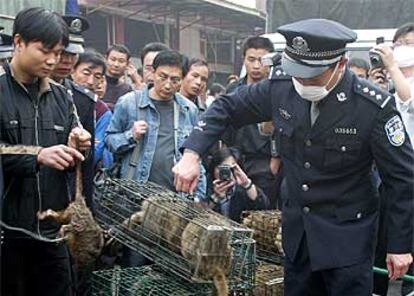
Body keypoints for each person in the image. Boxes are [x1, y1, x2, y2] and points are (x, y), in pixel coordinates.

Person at [172, 18, 414, 296]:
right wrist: (192, 154)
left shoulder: (372, 106)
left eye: (312, 75)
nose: (302, 81)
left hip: (347, 239)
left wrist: (399, 245)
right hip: (297, 237)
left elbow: (402, 179)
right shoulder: (282, 88)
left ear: (340, 65)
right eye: (297, 72)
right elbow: (227, 107)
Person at [0, 8, 91, 296]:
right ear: (18, 42)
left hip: (53, 237)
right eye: (45, 51)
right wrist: (36, 155)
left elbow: (75, 152)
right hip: (8, 233)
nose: (53, 60)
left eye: (59, 52)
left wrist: (79, 145)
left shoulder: (63, 96)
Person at [105, 50, 206, 266]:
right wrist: (130, 136)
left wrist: (198, 195)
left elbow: (196, 156)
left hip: (174, 203)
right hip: (135, 201)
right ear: (152, 73)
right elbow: (109, 142)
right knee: (134, 265)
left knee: (168, 269)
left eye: (175, 79)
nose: (168, 84)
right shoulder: (129, 104)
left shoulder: (188, 109)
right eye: (163, 77)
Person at [369, 22, 414, 296]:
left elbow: (409, 101)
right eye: (400, 44)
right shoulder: (389, 86)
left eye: (410, 44)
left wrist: (394, 69)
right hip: (390, 181)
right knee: (382, 247)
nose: (404, 50)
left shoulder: (402, 84)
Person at [223, 36, 281, 208]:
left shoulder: (277, 91)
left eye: (261, 60)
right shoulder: (233, 90)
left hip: (265, 165)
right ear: (243, 60)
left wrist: (275, 159)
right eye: (251, 59)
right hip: (237, 162)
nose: (256, 66)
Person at [51, 15, 96, 210]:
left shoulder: (82, 99)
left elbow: (86, 163)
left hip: (66, 195)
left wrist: (88, 207)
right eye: (63, 52)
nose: (67, 60)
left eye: (73, 54)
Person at [207, 147, 268, 222]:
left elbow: (263, 208)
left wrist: (247, 184)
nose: (225, 173)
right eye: (222, 168)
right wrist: (215, 198)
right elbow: (200, 216)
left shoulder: (243, 188)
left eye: (230, 169)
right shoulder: (206, 184)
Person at [102, 44, 134, 110]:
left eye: (121, 61)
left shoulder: (127, 89)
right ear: (106, 59)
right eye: (113, 60)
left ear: (127, 64)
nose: (116, 64)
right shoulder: (97, 84)